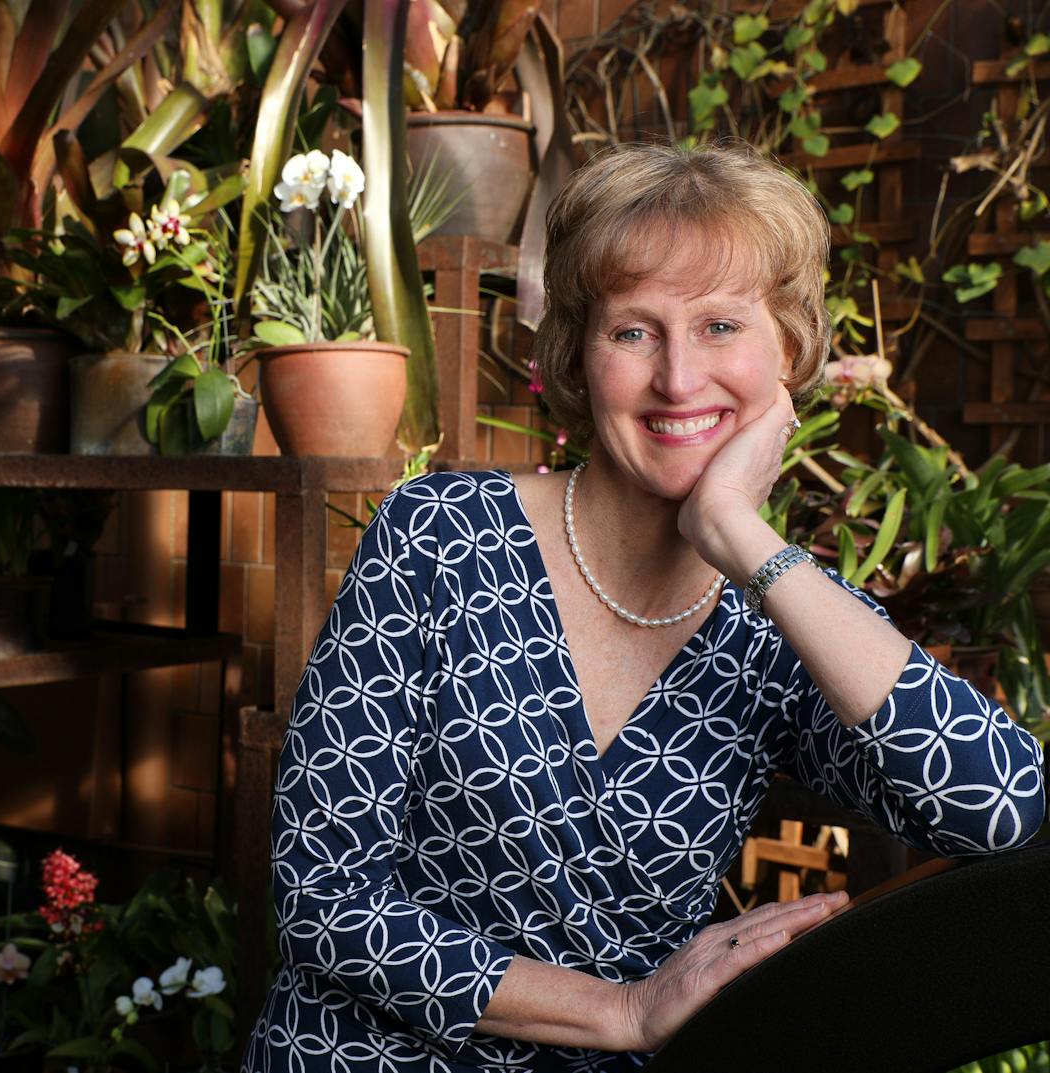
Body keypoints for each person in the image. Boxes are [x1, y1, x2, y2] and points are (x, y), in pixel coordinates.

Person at [240, 141, 1047, 1072]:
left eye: (720, 326)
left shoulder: (778, 617)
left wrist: (737, 532)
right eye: (633, 331)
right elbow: (324, 897)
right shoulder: (439, 535)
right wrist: (624, 1011)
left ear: (789, 350)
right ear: (578, 359)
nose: (675, 379)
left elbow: (1001, 808)